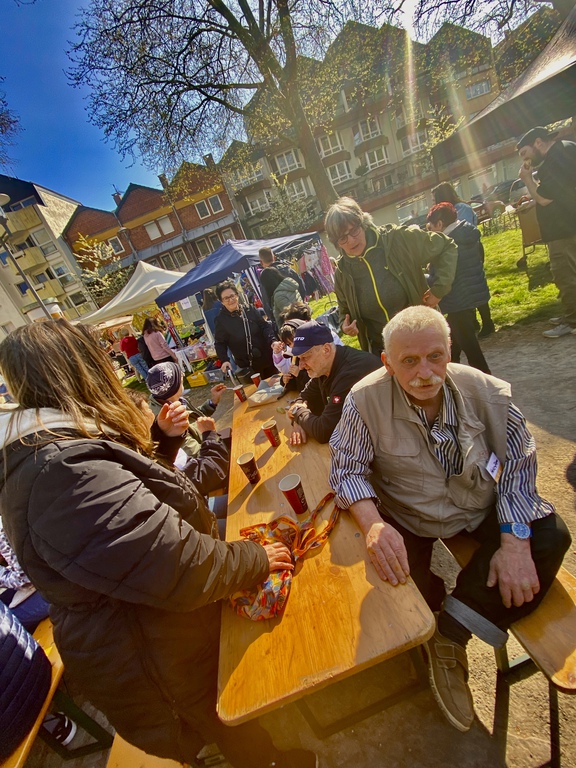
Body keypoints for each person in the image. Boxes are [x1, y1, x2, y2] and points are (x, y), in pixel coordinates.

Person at [0, 320, 317, 768]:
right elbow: (174, 565)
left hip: (158, 635)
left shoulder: (54, 451)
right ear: (78, 368)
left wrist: (163, 446)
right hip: (154, 656)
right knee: (226, 718)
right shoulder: (60, 473)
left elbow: (129, 505)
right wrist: (252, 558)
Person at [329, 306, 571, 733]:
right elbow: (346, 468)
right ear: (387, 362)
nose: (425, 372)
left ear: (450, 350)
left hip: (476, 504)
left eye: (435, 356)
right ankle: (435, 628)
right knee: (397, 583)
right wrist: (374, 524)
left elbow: (518, 461)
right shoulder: (363, 400)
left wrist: (514, 543)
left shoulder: (487, 391)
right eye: (409, 361)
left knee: (549, 535)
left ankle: (452, 633)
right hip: (411, 514)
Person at [326, 196, 457, 356]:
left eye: (354, 230)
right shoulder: (342, 272)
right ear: (336, 243)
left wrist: (439, 289)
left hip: (422, 338)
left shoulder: (397, 239)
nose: (351, 240)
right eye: (342, 238)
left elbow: (446, 246)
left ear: (363, 223)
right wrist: (345, 326)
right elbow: (344, 309)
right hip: (383, 352)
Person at [517, 126, 576, 338]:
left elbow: (544, 198)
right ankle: (570, 314)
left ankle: (572, 321)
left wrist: (527, 179)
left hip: (563, 229)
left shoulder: (556, 159)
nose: (525, 159)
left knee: (565, 275)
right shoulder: (566, 149)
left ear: (539, 143)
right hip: (569, 225)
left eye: (525, 153)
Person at [286, 320, 381, 445]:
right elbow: (304, 396)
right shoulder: (323, 368)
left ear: (326, 349)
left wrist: (297, 413)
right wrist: (298, 420)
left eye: (305, 357)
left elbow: (324, 431)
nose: (301, 366)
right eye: (299, 359)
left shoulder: (349, 374)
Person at [426, 203, 491, 374]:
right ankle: (449, 377)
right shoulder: (468, 234)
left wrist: (423, 278)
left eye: (431, 227)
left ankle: (487, 383)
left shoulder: (448, 244)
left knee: (471, 349)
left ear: (439, 224)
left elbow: (442, 277)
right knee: (453, 343)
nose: (430, 231)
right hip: (471, 294)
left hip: (457, 299)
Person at [146, 362, 229, 494]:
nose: (183, 374)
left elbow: (193, 420)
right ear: (173, 386)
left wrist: (212, 403)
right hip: (211, 472)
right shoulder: (169, 419)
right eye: (179, 375)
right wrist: (209, 434)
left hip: (211, 457)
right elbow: (198, 456)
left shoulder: (171, 401)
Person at [432, 183, 495, 338]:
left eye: (435, 198)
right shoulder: (455, 209)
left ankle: (486, 322)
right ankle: (473, 322)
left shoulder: (459, 209)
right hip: (463, 250)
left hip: (467, 249)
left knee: (474, 284)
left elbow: (462, 230)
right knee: (468, 285)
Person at [214, 280, 277, 379]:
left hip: (267, 356)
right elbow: (220, 343)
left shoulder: (249, 309)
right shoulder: (221, 320)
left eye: (232, 296)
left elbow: (264, 326)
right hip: (248, 364)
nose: (230, 300)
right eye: (226, 298)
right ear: (221, 301)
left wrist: (272, 340)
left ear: (237, 295)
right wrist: (225, 360)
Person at [258, 246, 306, 324]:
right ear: (274, 257)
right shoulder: (289, 270)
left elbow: (266, 303)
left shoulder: (265, 278)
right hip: (300, 311)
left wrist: (274, 320)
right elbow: (302, 289)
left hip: (284, 320)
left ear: (261, 262)